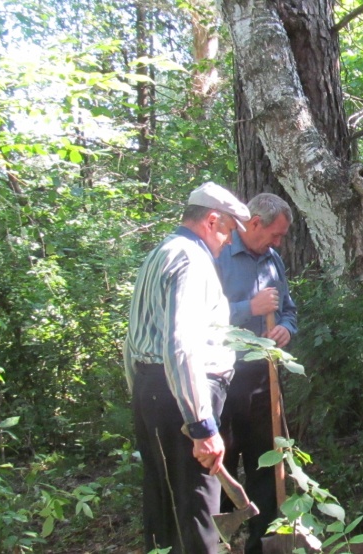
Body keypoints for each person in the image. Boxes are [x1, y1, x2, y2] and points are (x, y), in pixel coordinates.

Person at [123, 182, 251, 553]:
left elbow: (133, 339)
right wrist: (200, 424)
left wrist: (144, 394)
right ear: (211, 221)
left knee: (164, 510)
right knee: (197, 513)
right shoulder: (192, 260)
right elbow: (182, 345)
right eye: (228, 230)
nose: (229, 241)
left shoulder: (159, 253)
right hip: (182, 399)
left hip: (153, 391)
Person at [215, 193, 298, 554]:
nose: (279, 243)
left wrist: (285, 329)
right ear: (254, 224)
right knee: (222, 465)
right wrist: (248, 307)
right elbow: (199, 317)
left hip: (264, 377)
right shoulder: (216, 254)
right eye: (275, 235)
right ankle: (219, 541)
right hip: (222, 377)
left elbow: (289, 310)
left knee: (266, 463)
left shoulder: (272, 259)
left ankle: (262, 544)